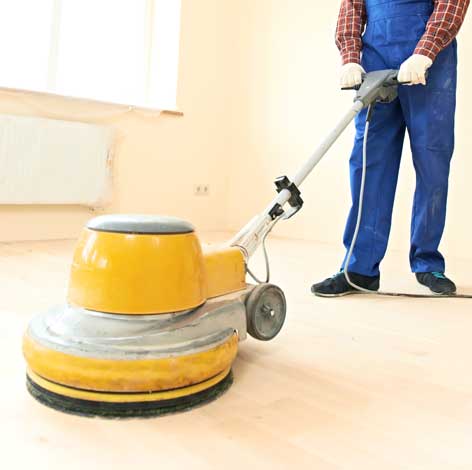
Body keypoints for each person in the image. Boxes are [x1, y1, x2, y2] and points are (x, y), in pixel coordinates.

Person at [312, 0, 470, 297]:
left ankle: (427, 263)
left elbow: (452, 4)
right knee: (369, 164)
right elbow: (352, 9)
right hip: (375, 59)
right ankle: (359, 268)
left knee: (431, 161)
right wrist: (350, 56)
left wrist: (425, 52)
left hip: (429, 63)